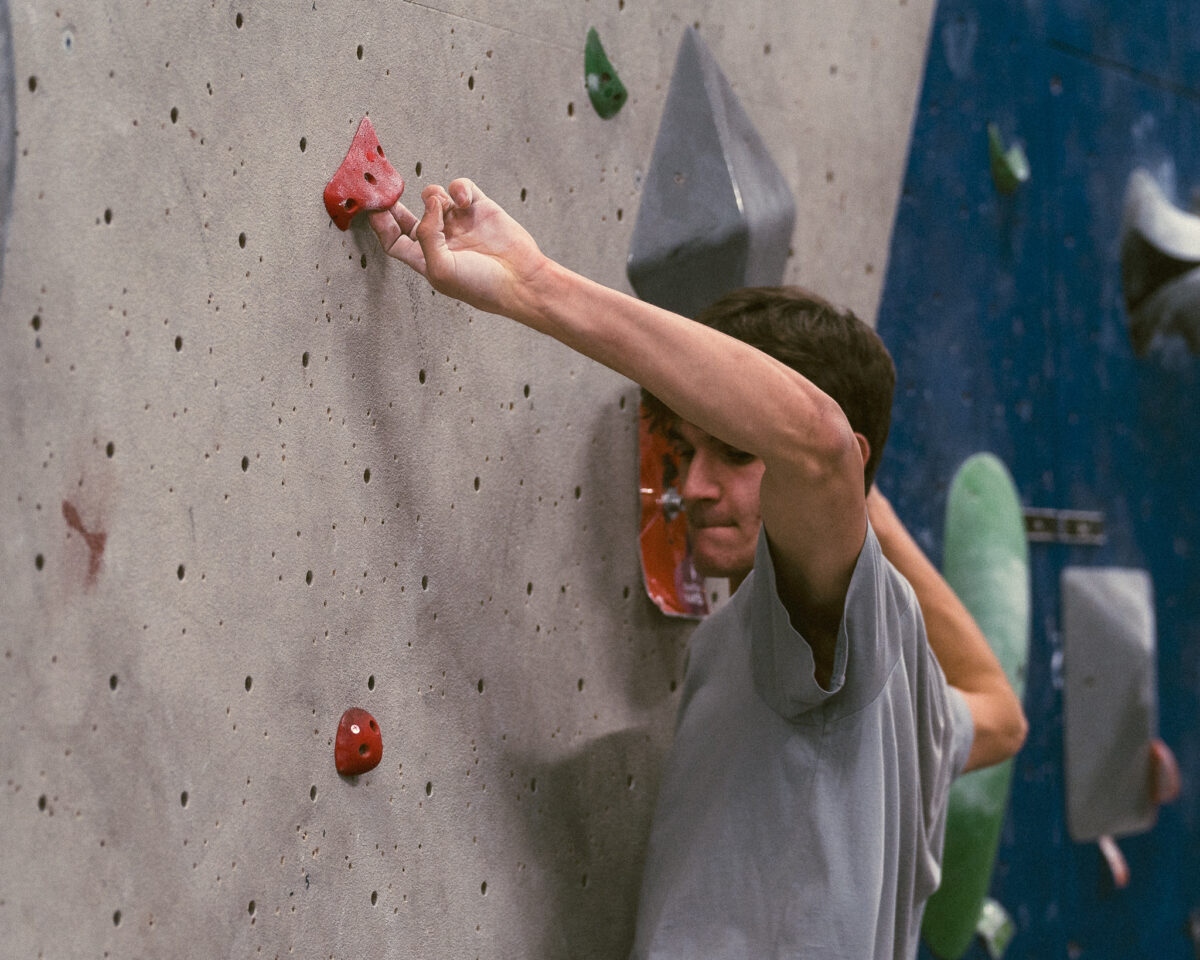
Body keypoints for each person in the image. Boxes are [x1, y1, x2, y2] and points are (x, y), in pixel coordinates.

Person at [368, 179, 1028, 959]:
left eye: (736, 451)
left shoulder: (806, 647)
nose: (692, 486)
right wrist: (866, 506)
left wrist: (536, 286)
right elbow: (1001, 713)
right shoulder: (895, 692)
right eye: (687, 451)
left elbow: (814, 442)